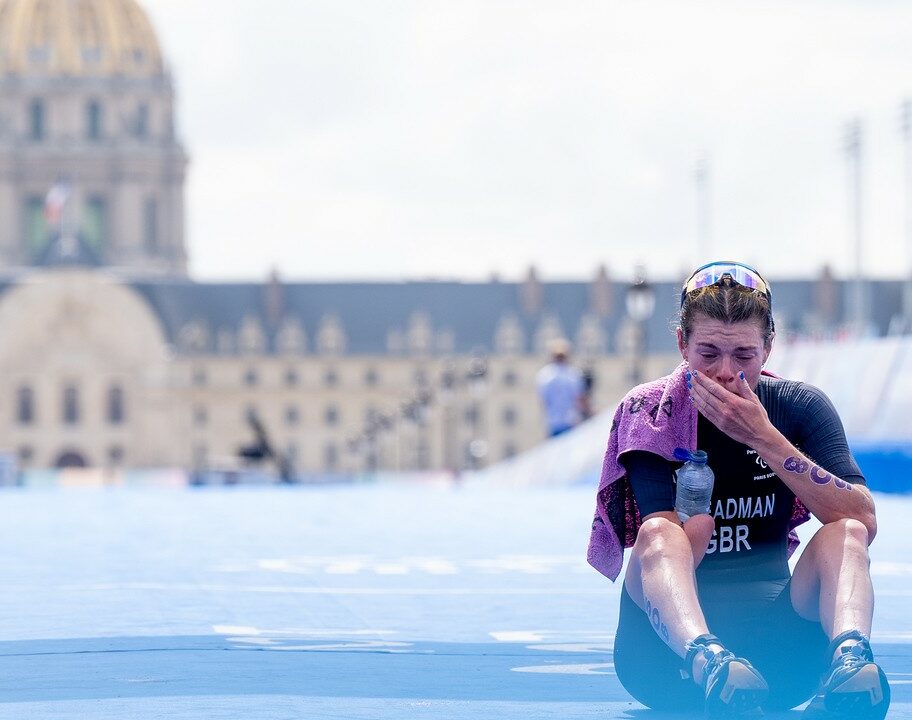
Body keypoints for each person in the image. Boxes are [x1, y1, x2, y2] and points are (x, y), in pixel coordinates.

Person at [586, 261, 890, 718]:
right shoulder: (651, 411)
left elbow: (863, 519)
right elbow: (663, 539)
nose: (726, 373)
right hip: (664, 658)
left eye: (744, 356)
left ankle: (850, 660)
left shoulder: (798, 406)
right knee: (662, 533)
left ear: (768, 349)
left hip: (781, 657)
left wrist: (764, 438)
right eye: (708, 353)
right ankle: (709, 659)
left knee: (844, 531)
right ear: (681, 345)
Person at [536, 338, 586, 437]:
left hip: (552, 422)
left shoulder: (544, 375)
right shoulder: (573, 374)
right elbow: (580, 399)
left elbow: (543, 402)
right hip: (571, 422)